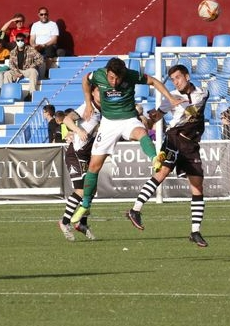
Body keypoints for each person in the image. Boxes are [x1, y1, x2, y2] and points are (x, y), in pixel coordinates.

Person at [70, 57, 182, 224]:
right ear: (106, 73)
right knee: (93, 167)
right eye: (111, 78)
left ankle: (154, 158)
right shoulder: (98, 75)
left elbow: (153, 81)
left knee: (141, 132)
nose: (114, 82)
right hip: (108, 123)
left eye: (117, 78)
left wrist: (170, 98)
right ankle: (85, 205)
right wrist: (88, 103)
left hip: (129, 118)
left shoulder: (131, 75)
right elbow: (85, 79)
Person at [125, 64, 211, 247]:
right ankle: (135, 210)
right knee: (162, 173)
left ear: (187, 77)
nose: (176, 82)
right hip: (174, 138)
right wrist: (148, 119)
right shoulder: (171, 97)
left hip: (191, 144)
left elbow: (193, 111)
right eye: (172, 79)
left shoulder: (202, 94)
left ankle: (195, 232)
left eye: (178, 77)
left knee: (197, 186)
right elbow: (155, 119)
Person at [57, 85, 101, 241]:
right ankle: (64, 222)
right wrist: (77, 130)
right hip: (75, 153)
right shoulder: (87, 107)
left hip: (88, 155)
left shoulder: (105, 111)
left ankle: (82, 223)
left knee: (90, 190)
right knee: (82, 190)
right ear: (93, 93)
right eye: (98, 91)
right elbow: (67, 119)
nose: (101, 94)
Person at [29, 7, 59, 75]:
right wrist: (33, 45)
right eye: (41, 14)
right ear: (38, 15)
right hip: (37, 46)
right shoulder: (35, 25)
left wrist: (44, 45)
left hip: (48, 45)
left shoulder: (53, 24)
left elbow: (54, 40)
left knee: (49, 50)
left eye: (45, 14)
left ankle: (46, 72)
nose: (44, 16)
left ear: (48, 14)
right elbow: (32, 39)